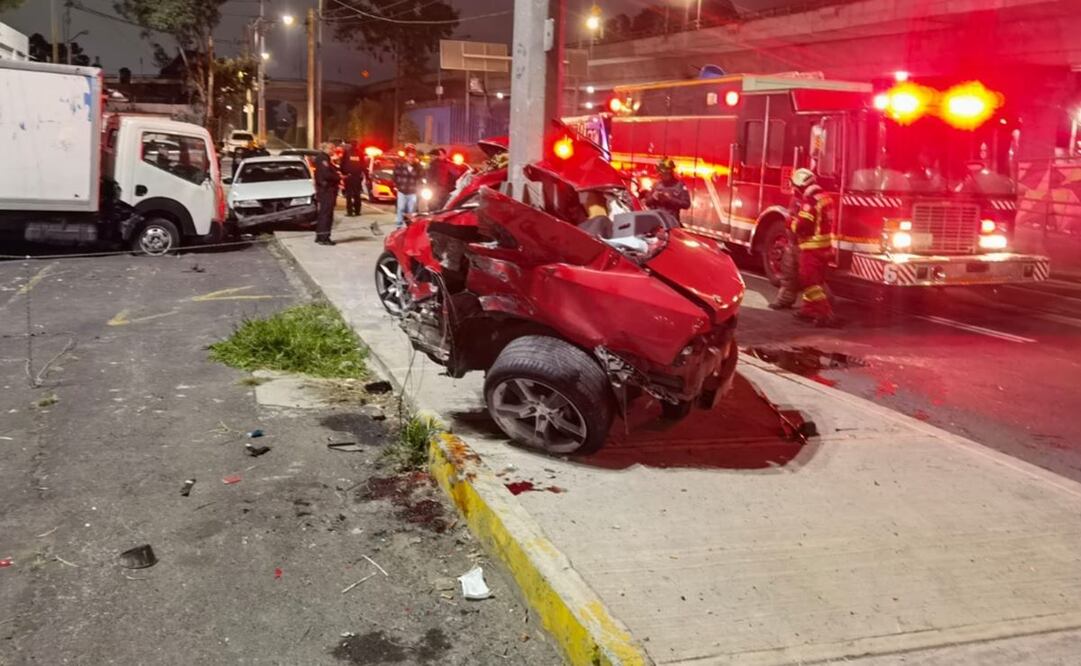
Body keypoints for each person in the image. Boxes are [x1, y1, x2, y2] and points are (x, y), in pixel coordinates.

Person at [788, 168, 840, 327]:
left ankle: (826, 314)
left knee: (809, 281)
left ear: (801, 185)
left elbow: (803, 226)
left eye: (795, 187)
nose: (795, 190)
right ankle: (808, 310)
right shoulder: (825, 198)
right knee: (816, 279)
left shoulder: (810, 201)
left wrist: (790, 222)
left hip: (812, 247)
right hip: (825, 247)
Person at [768, 195, 802, 310]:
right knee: (789, 273)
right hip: (794, 242)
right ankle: (784, 300)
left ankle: (824, 309)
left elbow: (806, 223)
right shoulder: (797, 198)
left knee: (812, 278)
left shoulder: (812, 201)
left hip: (805, 244)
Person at [313, 148, 340, 246]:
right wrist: (338, 177)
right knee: (326, 214)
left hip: (325, 190)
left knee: (323, 213)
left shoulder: (324, 158)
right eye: (331, 148)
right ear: (326, 149)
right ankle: (324, 237)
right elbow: (326, 174)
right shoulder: (323, 159)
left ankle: (320, 236)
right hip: (327, 190)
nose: (333, 150)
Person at [393, 144, 421, 228]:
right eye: (410, 157)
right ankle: (399, 224)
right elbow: (395, 175)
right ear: (406, 157)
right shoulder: (400, 165)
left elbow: (420, 177)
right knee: (400, 208)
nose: (411, 159)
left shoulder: (418, 167)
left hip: (412, 191)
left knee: (411, 210)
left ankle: (409, 226)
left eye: (413, 157)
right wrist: (398, 185)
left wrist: (419, 186)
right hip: (402, 190)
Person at [341, 143, 366, 217]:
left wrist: (343, 173)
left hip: (348, 176)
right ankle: (357, 211)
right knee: (357, 194)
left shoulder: (347, 152)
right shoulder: (360, 153)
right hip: (357, 177)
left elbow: (343, 163)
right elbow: (363, 164)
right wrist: (364, 175)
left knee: (349, 195)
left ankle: (350, 211)